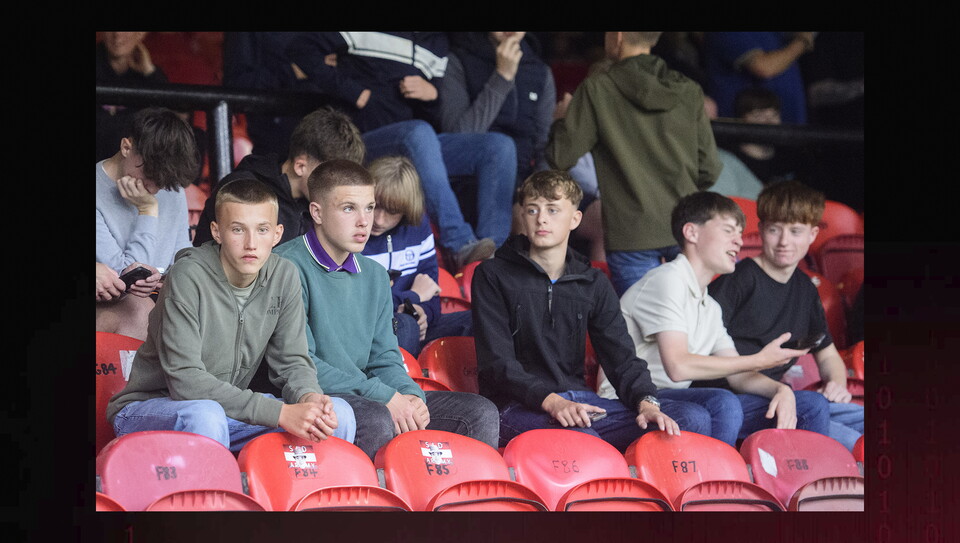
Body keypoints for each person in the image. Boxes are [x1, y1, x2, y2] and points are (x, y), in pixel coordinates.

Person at [106, 178, 356, 453]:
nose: (251, 243)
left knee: (339, 414)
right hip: (151, 409)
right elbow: (186, 382)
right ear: (217, 231)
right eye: (238, 230)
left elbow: (292, 362)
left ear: (277, 233)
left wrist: (309, 397)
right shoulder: (188, 276)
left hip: (226, 413)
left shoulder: (283, 275)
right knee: (205, 416)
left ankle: (312, 496)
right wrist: (280, 413)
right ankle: (211, 497)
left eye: (262, 230)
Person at [274, 159, 499, 460]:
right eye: (349, 209)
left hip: (370, 396)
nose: (365, 221)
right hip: (319, 399)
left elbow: (385, 357)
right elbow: (303, 365)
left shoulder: (375, 275)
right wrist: (384, 397)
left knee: (479, 412)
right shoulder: (285, 267)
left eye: (369, 207)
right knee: (376, 419)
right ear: (317, 212)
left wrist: (410, 396)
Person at [471, 170, 690, 453]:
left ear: (575, 219)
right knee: (587, 442)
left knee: (687, 420)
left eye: (553, 209)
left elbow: (622, 358)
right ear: (522, 216)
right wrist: (552, 401)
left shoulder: (592, 281)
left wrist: (646, 402)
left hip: (580, 403)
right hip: (518, 406)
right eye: (532, 209)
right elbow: (498, 364)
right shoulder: (493, 274)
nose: (542, 219)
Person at [597, 191, 831, 446]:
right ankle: (719, 480)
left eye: (740, 234)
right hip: (631, 401)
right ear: (692, 233)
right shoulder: (667, 280)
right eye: (729, 231)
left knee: (811, 405)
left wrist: (780, 389)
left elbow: (738, 374)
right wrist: (759, 360)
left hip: (676, 399)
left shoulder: (709, 305)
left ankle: (791, 482)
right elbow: (678, 367)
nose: (738, 242)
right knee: (719, 404)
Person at [286, 31, 517, 271]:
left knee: (499, 147)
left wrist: (433, 95)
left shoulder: (437, 43)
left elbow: (437, 119)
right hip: (364, 144)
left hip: (417, 146)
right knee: (418, 132)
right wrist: (355, 92)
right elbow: (301, 48)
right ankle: (460, 244)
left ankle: (493, 257)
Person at [546, 32, 722, 296]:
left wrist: (562, 119)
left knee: (641, 330)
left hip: (631, 234)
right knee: (689, 326)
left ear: (616, 37)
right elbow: (709, 169)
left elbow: (561, 157)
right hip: (686, 228)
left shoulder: (596, 89)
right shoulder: (688, 90)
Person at [707, 180, 864, 451]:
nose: (784, 242)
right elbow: (709, 358)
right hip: (732, 398)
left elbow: (827, 354)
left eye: (795, 231)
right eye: (774, 230)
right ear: (761, 230)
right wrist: (781, 391)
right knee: (851, 443)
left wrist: (836, 384)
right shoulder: (737, 280)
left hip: (779, 397)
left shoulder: (806, 288)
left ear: (813, 234)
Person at [192, 105, 366, 247]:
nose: (337, 187)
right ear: (300, 166)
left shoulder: (320, 206)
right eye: (332, 176)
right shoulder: (242, 189)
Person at [96, 107, 199, 340]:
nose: (153, 189)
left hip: (163, 297)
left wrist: (169, 279)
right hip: (120, 303)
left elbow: (182, 253)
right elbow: (125, 276)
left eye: (162, 183)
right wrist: (147, 210)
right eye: (149, 176)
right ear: (126, 147)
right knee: (137, 308)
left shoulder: (168, 184)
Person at [361, 156, 472, 358]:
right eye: (374, 206)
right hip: (369, 334)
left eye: (392, 211)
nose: (378, 219)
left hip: (413, 328)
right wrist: (414, 297)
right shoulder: (352, 234)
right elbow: (360, 307)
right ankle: (400, 387)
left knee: (482, 319)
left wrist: (424, 313)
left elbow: (431, 289)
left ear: (405, 209)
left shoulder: (418, 227)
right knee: (405, 324)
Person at [441, 32, 556, 186]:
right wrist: (502, 78)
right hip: (472, 180)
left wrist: (536, 192)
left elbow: (545, 144)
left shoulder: (540, 71)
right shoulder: (458, 61)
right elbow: (459, 140)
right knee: (500, 145)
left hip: (525, 183)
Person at [702, 32, 815, 125]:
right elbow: (764, 67)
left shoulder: (776, 35)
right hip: (746, 136)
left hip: (784, 131)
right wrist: (803, 41)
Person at [96, 32, 169, 162]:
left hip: (135, 167)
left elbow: (170, 119)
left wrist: (149, 72)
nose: (117, 35)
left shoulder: (151, 76)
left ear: (141, 34)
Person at [727, 87, 804, 185]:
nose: (769, 122)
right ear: (741, 119)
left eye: (774, 115)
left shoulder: (789, 156)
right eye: (759, 116)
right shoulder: (729, 159)